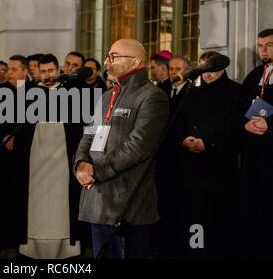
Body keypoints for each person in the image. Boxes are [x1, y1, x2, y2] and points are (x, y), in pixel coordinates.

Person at [74, 39, 170, 259]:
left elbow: (138, 146)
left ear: (135, 61)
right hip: (96, 199)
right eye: (107, 56)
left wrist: (96, 171)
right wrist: (80, 165)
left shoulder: (152, 96)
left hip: (128, 203)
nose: (107, 62)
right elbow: (88, 136)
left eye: (114, 57)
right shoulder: (106, 96)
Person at [12, 54, 88, 259]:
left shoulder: (72, 91)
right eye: (43, 71)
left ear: (58, 70)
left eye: (51, 71)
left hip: (62, 161)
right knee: (36, 208)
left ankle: (66, 250)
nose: (47, 75)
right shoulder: (28, 94)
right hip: (36, 162)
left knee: (62, 207)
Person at [176, 51, 241, 257]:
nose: (206, 73)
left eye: (210, 67)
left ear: (221, 67)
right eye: (202, 67)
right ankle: (196, 250)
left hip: (220, 166)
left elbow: (236, 127)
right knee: (194, 214)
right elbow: (178, 121)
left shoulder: (235, 92)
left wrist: (209, 143)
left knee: (220, 216)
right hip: (192, 167)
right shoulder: (191, 93)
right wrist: (184, 139)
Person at [238, 28, 273, 257]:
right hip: (253, 153)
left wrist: (271, 126)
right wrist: (245, 125)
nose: (263, 50)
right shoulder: (253, 75)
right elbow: (239, 107)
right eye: (260, 46)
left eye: (269, 45)